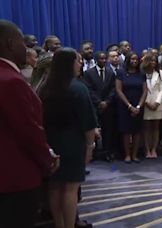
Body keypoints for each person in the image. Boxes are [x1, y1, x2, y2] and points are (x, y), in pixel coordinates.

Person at [0, 19, 59, 228]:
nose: (26, 48)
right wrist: (47, 158)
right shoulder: (11, 81)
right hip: (15, 176)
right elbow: (27, 130)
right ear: (9, 43)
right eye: (21, 42)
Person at [39, 47, 97, 228]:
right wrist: (90, 145)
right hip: (73, 144)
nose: (80, 64)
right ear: (69, 63)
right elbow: (88, 122)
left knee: (55, 186)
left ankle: (59, 224)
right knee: (71, 188)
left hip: (51, 143)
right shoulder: (78, 88)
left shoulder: (45, 87)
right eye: (78, 60)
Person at [84, 51, 116, 161]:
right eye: (101, 59)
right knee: (94, 130)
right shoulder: (89, 73)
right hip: (94, 106)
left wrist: (106, 102)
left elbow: (113, 89)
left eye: (104, 59)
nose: (103, 61)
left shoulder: (110, 73)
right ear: (96, 60)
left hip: (108, 106)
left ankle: (107, 152)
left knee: (108, 130)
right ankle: (94, 152)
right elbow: (89, 89)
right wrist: (99, 102)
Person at [115, 52, 147, 163]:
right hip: (125, 105)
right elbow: (118, 90)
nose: (134, 61)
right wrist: (129, 106)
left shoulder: (141, 73)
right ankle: (127, 155)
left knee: (137, 131)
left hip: (138, 105)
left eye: (136, 59)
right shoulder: (121, 72)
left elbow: (145, 91)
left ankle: (135, 155)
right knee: (126, 131)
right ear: (128, 60)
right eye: (132, 59)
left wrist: (138, 106)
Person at [142, 54, 162, 159]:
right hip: (145, 103)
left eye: (155, 61)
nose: (153, 63)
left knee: (156, 128)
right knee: (146, 128)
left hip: (157, 104)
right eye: (151, 60)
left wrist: (157, 102)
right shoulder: (142, 74)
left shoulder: (160, 73)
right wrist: (146, 102)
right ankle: (147, 150)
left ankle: (154, 150)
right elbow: (142, 90)